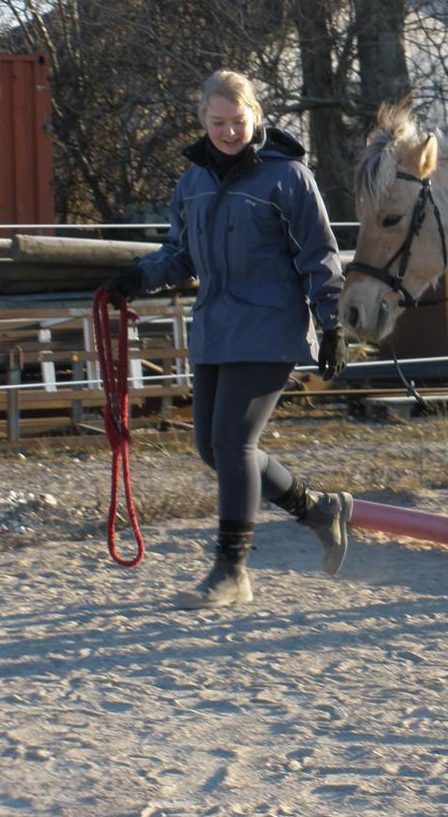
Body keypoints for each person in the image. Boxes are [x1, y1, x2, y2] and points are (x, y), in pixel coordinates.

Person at [105, 69, 352, 610]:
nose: (228, 131)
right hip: (217, 325)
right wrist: (137, 277)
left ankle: (231, 571)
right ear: (203, 120)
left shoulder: (287, 178)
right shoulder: (191, 184)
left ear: (255, 117)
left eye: (238, 121)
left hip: (272, 323)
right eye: (218, 122)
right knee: (214, 450)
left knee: (235, 444)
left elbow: (320, 255)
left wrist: (332, 324)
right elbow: (181, 255)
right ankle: (317, 510)